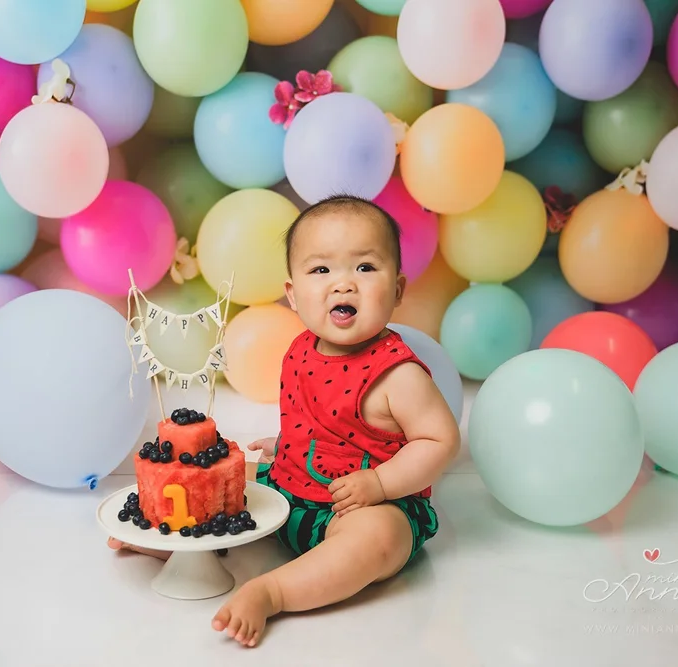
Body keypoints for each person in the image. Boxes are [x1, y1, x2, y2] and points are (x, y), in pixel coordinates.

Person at [108, 194, 461, 647]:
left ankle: (274, 590)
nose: (343, 285)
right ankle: (179, 545)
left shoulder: (399, 373)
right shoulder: (299, 351)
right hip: (289, 487)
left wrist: (381, 484)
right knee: (224, 483)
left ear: (396, 289)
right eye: (321, 270)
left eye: (365, 268)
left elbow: (439, 440)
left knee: (378, 539)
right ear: (293, 295)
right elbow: (319, 421)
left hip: (359, 508)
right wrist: (286, 443)